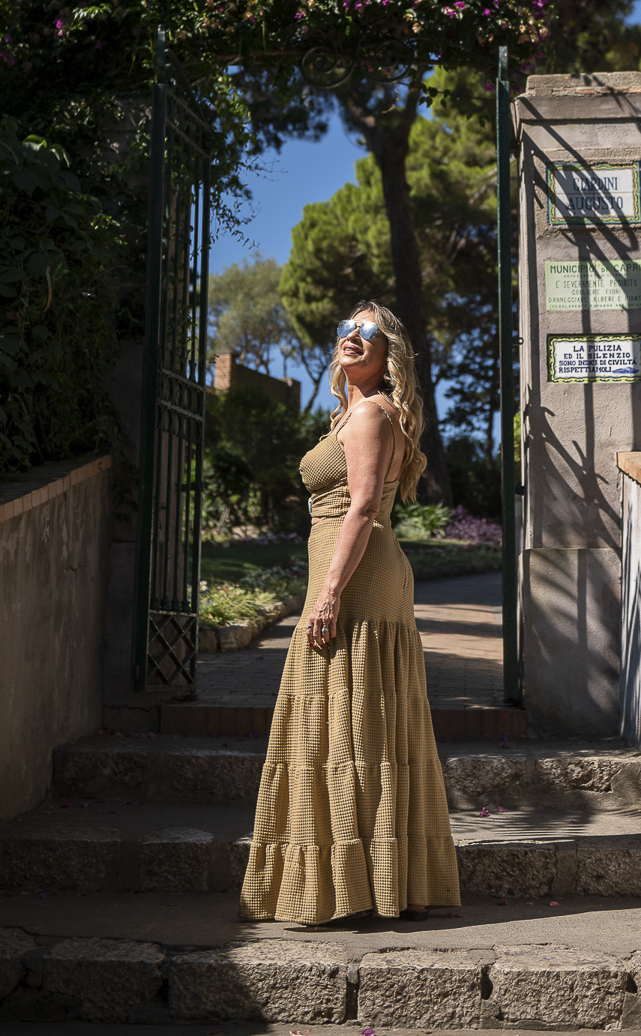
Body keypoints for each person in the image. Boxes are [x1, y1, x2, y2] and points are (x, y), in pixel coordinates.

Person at [239, 300, 461, 925]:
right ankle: (384, 880)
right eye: (347, 328)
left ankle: (354, 885)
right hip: (352, 567)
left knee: (347, 719)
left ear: (390, 353)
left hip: (357, 576)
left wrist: (330, 592)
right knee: (362, 720)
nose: (353, 337)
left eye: (368, 331)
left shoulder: (370, 413)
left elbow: (362, 507)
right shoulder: (356, 411)